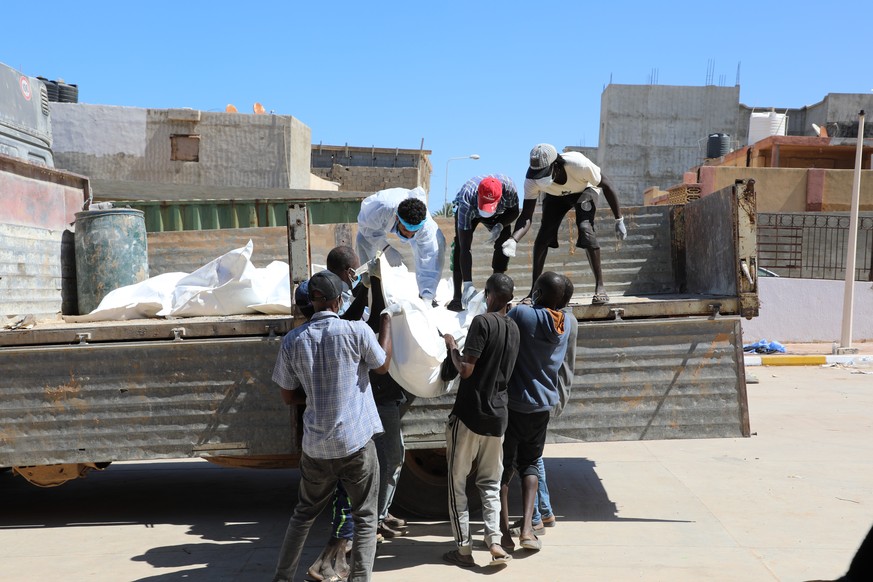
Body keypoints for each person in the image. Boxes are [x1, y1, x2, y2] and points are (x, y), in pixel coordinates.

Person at [271, 269, 398, 582]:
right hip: (356, 444)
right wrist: (386, 323)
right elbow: (382, 365)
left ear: (312, 303)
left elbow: (288, 397)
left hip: (316, 447)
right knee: (366, 517)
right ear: (338, 300)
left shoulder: (292, 341)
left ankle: (283, 577)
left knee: (303, 515)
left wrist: (319, 393)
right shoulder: (355, 332)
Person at [442, 273, 520, 568]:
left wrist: (452, 346)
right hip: (499, 416)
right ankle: (495, 542)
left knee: (456, 482)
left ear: (488, 295)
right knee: (489, 482)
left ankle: (463, 550)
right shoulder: (514, 328)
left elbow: (465, 370)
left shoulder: (482, 322)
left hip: (471, 413)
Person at [499, 271, 571, 553]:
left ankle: (504, 533)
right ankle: (528, 530)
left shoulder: (523, 315)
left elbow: (509, 315)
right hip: (542, 405)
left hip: (516, 404)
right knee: (530, 463)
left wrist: (528, 301)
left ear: (538, 294)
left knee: (504, 468)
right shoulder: (568, 323)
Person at [520, 143, 628, 305]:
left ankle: (600, 287)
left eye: (544, 173)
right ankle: (533, 291)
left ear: (555, 165)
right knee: (544, 235)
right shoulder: (533, 180)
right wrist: (513, 239)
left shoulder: (579, 165)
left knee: (585, 228)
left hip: (584, 190)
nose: (540, 178)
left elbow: (607, 185)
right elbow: (526, 214)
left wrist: (619, 219)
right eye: (538, 174)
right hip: (555, 196)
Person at [446, 175, 532, 312]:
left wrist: (500, 225)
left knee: (504, 242)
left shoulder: (509, 190)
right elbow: (465, 247)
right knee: (460, 246)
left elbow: (514, 212)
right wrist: (467, 283)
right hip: (471, 212)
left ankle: (497, 294)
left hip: (498, 215)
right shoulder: (466, 199)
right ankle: (458, 297)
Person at [356, 186, 446, 303]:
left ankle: (427, 295)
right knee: (362, 239)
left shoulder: (426, 227)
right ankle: (365, 287)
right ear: (397, 218)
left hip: (417, 228)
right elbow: (366, 229)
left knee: (438, 242)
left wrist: (427, 297)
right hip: (375, 222)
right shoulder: (381, 208)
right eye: (405, 230)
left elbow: (429, 260)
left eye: (413, 232)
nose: (409, 235)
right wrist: (386, 247)